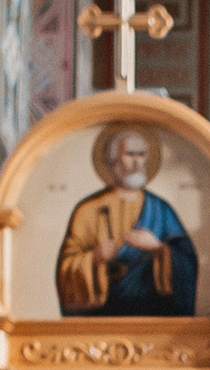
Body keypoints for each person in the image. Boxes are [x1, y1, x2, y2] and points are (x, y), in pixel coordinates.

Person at [56, 123, 198, 316]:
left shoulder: (160, 209)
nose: (137, 162)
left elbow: (188, 262)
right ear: (113, 160)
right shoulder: (87, 210)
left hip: (152, 314)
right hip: (103, 315)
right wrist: (95, 257)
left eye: (141, 155)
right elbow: (66, 269)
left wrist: (157, 248)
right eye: (130, 154)